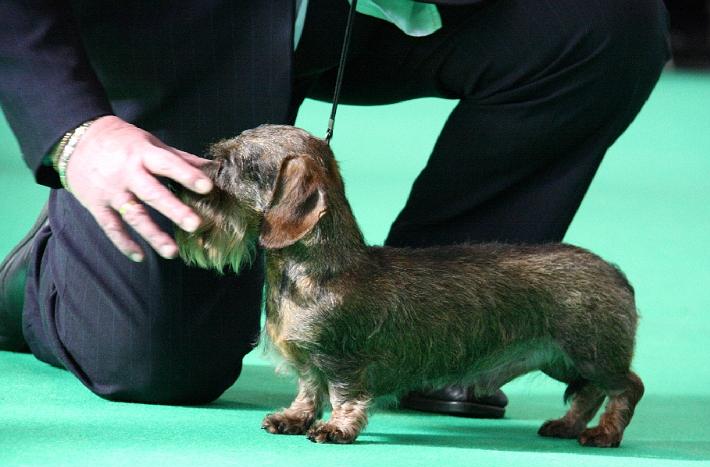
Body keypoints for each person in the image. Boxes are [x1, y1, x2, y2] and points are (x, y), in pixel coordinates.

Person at [0, 0, 671, 416]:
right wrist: (74, 131)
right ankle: (50, 269)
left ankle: (436, 337)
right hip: (175, 29)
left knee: (601, 21)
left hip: (350, 12)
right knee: (158, 367)